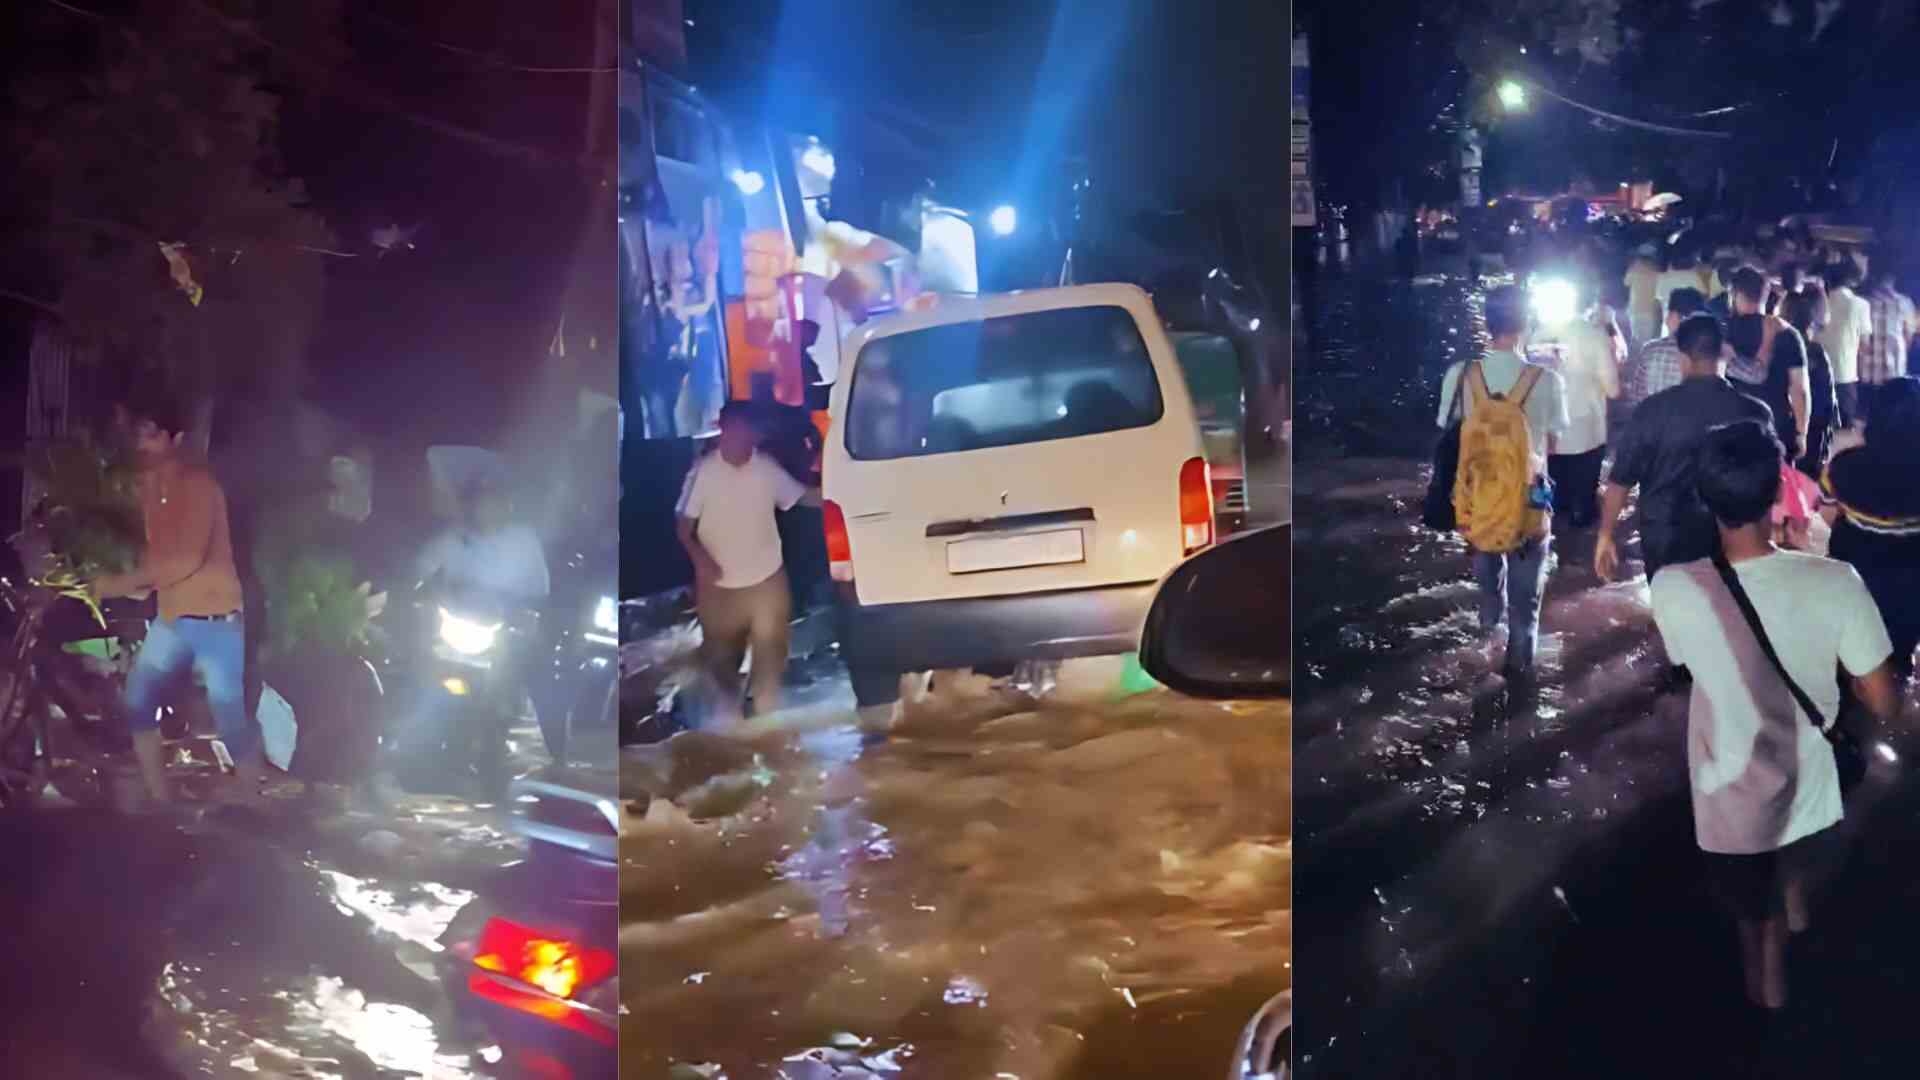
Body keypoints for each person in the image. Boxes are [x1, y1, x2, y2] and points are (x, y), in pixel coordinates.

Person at [1648, 419, 1900, 1011]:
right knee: (1796, 860)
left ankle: (1765, 978)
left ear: (1706, 497)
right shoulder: (1835, 580)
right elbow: (1884, 701)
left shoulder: (1673, 586)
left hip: (1727, 783)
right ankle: (1792, 916)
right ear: (1776, 491)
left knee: (1746, 901)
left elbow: (1689, 662)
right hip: (1809, 778)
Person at [90, 392, 257, 807]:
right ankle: (159, 800)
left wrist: (114, 583)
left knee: (228, 714)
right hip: (173, 617)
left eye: (150, 435)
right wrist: (137, 583)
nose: (140, 444)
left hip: (216, 619)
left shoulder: (197, 486)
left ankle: (251, 798)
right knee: (137, 704)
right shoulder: (151, 489)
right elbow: (159, 557)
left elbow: (183, 559)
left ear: (175, 438)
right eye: (138, 434)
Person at [1435, 284, 1569, 678]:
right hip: (1530, 503)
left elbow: (1448, 433)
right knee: (1526, 608)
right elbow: (1554, 444)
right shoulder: (1547, 379)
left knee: (1488, 587)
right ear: (1527, 324)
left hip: (1477, 503)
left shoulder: (1460, 376)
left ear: (1486, 324)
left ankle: (1485, 641)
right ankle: (1518, 681)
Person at [1596, 314, 1772, 589]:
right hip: (1731, 537)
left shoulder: (1652, 411)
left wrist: (1605, 535)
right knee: (1729, 617)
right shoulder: (1754, 412)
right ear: (1722, 351)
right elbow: (1767, 485)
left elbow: (1619, 482)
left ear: (1683, 357)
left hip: (1665, 537)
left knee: (1674, 617)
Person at [678, 401, 813, 719]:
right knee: (722, 662)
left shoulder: (766, 468)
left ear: (754, 434)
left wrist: (839, 492)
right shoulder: (704, 472)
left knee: (771, 651)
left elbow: (800, 496)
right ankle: (731, 721)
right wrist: (701, 561)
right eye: (733, 431)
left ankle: (763, 719)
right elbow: (683, 528)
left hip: (766, 580)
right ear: (722, 430)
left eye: (746, 431)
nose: (739, 438)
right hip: (720, 588)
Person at [1823, 376, 1920, 683]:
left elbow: (1826, 515)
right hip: (1911, 587)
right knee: (1900, 658)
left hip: (1854, 578)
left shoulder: (1844, 466)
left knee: (1852, 658)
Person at [1548, 300, 1620, 529]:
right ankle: (1580, 548)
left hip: (1548, 435)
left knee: (1554, 505)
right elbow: (1613, 390)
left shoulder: (1537, 333)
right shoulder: (1596, 336)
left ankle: (1555, 550)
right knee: (1585, 507)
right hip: (1587, 433)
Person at [1728, 268, 1812, 462]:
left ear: (1735, 294)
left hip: (1732, 426)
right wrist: (1801, 433)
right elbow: (1800, 389)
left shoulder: (1722, 331)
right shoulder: (1788, 333)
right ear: (1766, 294)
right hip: (1776, 426)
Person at [1779, 290, 1839, 477]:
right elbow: (1827, 396)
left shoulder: (1775, 348)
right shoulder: (1815, 351)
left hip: (1784, 425)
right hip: (1813, 427)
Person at [1628, 286, 1707, 408]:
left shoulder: (1650, 350)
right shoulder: (1708, 352)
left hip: (1653, 423)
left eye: (1667, 313)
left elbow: (1637, 396)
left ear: (1674, 316)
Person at [1817, 259, 1873, 429]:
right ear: (1850, 280)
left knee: (1819, 427)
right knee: (1845, 428)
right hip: (1846, 374)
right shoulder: (1861, 305)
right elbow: (1864, 346)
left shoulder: (1819, 302)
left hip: (1818, 372)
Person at [1861, 266, 1916, 423]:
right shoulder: (1905, 302)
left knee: (1870, 413)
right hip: (1895, 366)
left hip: (1868, 368)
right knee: (1892, 411)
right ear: (1893, 281)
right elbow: (1908, 335)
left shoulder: (1864, 302)